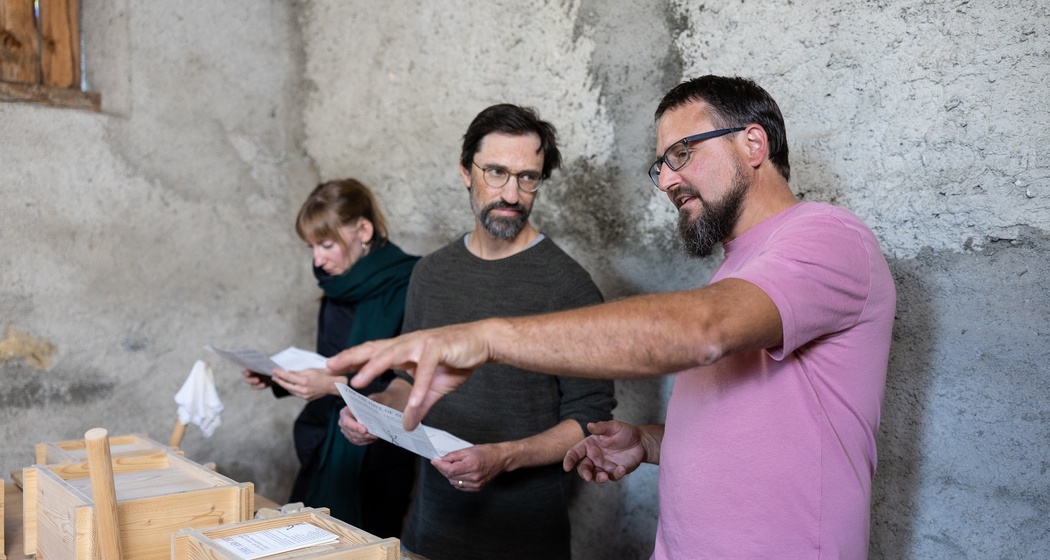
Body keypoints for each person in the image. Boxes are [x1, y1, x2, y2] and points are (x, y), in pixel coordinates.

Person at [329, 76, 897, 559]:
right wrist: (648, 442)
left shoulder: (828, 237)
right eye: (662, 165)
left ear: (753, 142)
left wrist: (487, 338)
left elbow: (702, 331)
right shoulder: (741, 268)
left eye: (682, 154)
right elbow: (755, 430)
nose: (667, 180)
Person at [336, 104, 616, 560]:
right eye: (497, 172)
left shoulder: (568, 286)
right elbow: (410, 380)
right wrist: (376, 410)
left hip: (526, 541)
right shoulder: (431, 274)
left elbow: (590, 419)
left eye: (528, 177)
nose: (512, 194)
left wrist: (504, 457)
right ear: (466, 171)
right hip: (430, 530)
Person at [241, 179, 419, 537]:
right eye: (311, 247)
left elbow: (407, 382)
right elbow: (329, 362)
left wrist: (331, 385)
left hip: (377, 456)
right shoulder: (337, 284)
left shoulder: (412, 282)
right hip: (322, 441)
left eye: (325, 245)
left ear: (363, 231)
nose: (317, 260)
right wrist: (279, 376)